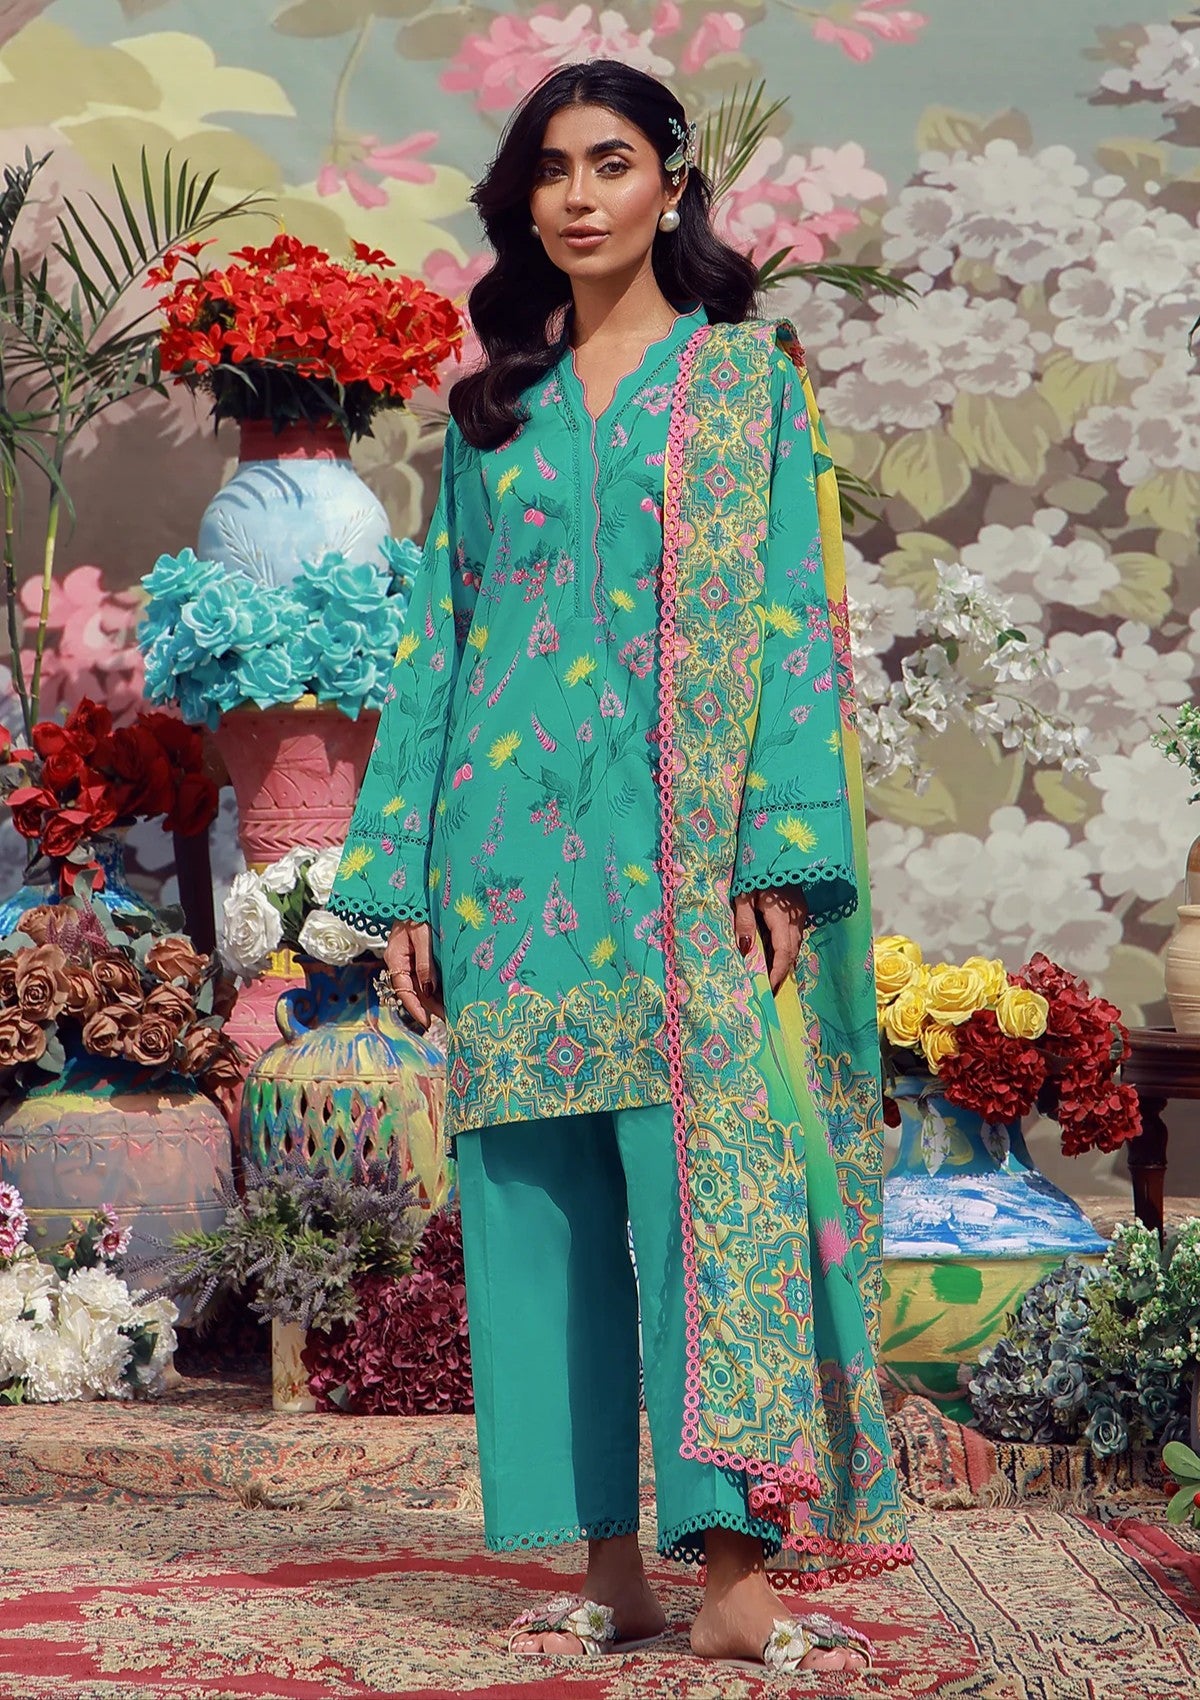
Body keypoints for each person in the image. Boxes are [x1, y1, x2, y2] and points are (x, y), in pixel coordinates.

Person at [329, 59, 911, 1674]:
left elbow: (793, 620)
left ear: (671, 183)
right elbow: (440, 655)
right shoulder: (491, 413)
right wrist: (402, 888)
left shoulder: (744, 385)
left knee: (719, 1211)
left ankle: (732, 1573)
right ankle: (612, 1568)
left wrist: (778, 857)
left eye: (610, 162)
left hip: (682, 872)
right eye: (550, 169)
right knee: (544, 1220)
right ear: (522, 201)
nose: (578, 195)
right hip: (509, 877)